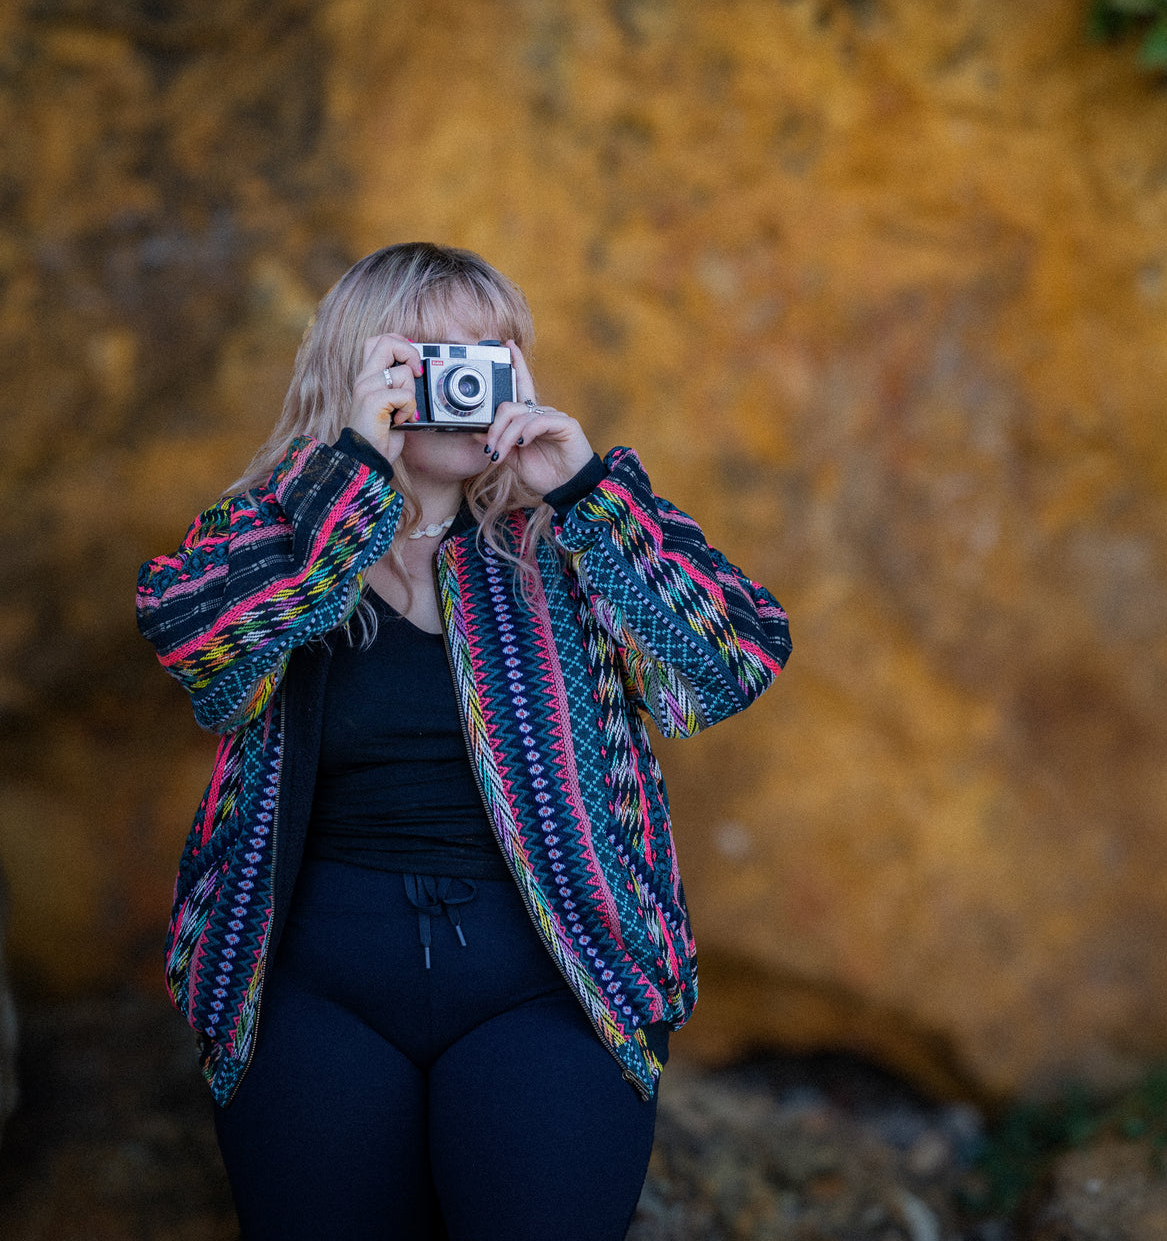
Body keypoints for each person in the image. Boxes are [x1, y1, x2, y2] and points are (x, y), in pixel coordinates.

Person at [135, 242, 792, 1241]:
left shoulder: (565, 542)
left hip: (551, 981)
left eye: (492, 350)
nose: (465, 379)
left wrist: (584, 495)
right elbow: (198, 642)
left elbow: (733, 658)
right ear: (361, 371)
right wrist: (351, 474)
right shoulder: (271, 534)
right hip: (306, 990)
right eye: (431, 354)